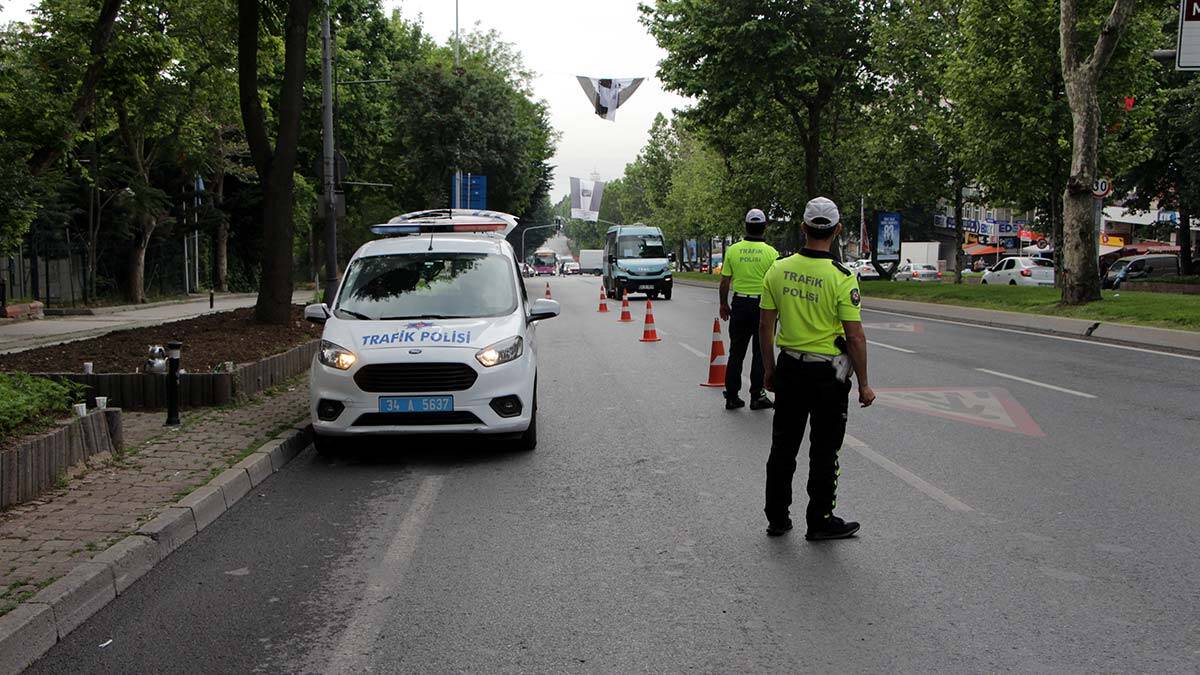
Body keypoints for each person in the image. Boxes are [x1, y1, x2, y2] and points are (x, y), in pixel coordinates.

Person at [758, 197, 876, 540]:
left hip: (790, 369)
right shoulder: (842, 277)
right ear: (837, 230)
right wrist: (864, 383)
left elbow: (766, 326)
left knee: (783, 448)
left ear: (803, 227)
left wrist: (769, 369)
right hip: (828, 377)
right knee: (825, 450)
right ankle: (820, 519)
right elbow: (854, 337)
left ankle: (777, 518)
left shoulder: (777, 270)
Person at [719, 208, 779, 411]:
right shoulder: (772, 253)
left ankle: (732, 395)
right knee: (761, 352)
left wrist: (723, 304)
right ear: (765, 227)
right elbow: (776, 284)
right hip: (764, 307)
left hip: (740, 304)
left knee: (736, 351)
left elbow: (725, 281)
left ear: (745, 226)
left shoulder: (733, 250)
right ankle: (757, 395)